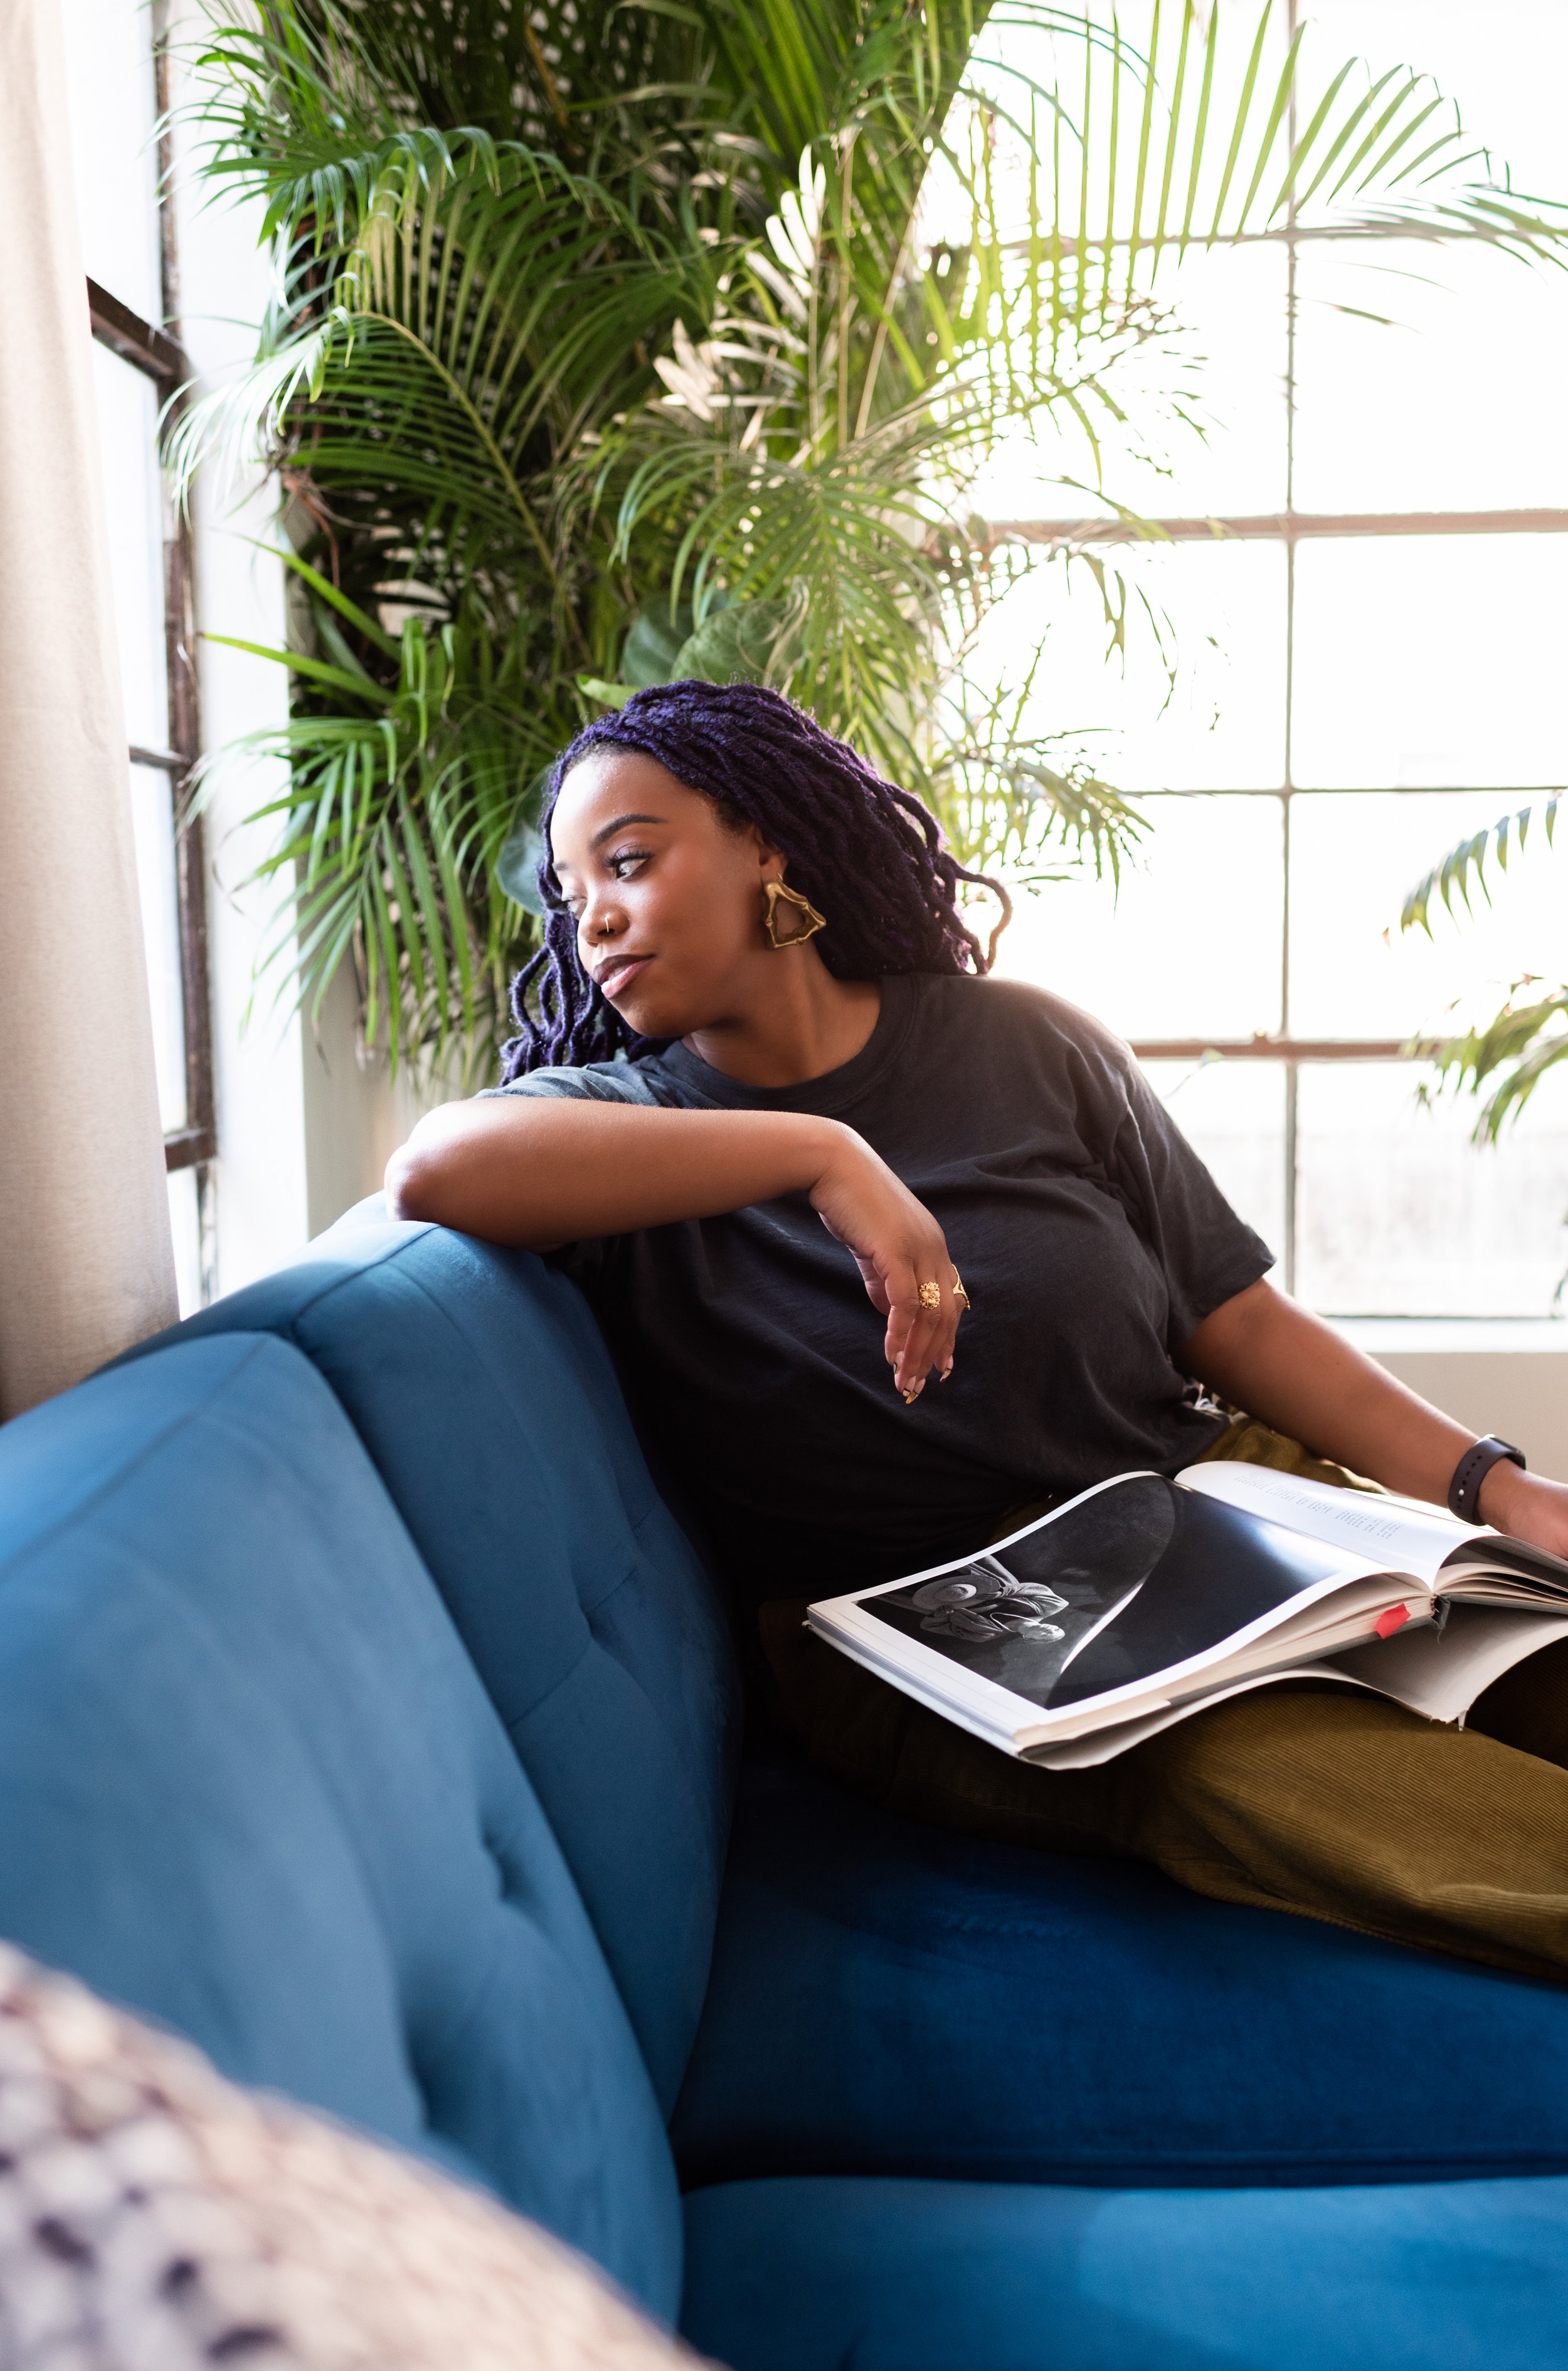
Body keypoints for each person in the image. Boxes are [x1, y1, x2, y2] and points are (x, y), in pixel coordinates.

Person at [389, 679, 1568, 1984]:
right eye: (570, 894)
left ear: (764, 843)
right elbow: (440, 1168)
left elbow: (1226, 1315)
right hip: (936, 1630)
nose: (592, 916)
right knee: (1288, 1780)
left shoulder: (1026, 1043)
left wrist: (1494, 1490)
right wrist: (816, 1154)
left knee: (1535, 1653)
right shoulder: (621, 1127)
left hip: (1224, 1516)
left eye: (628, 860)